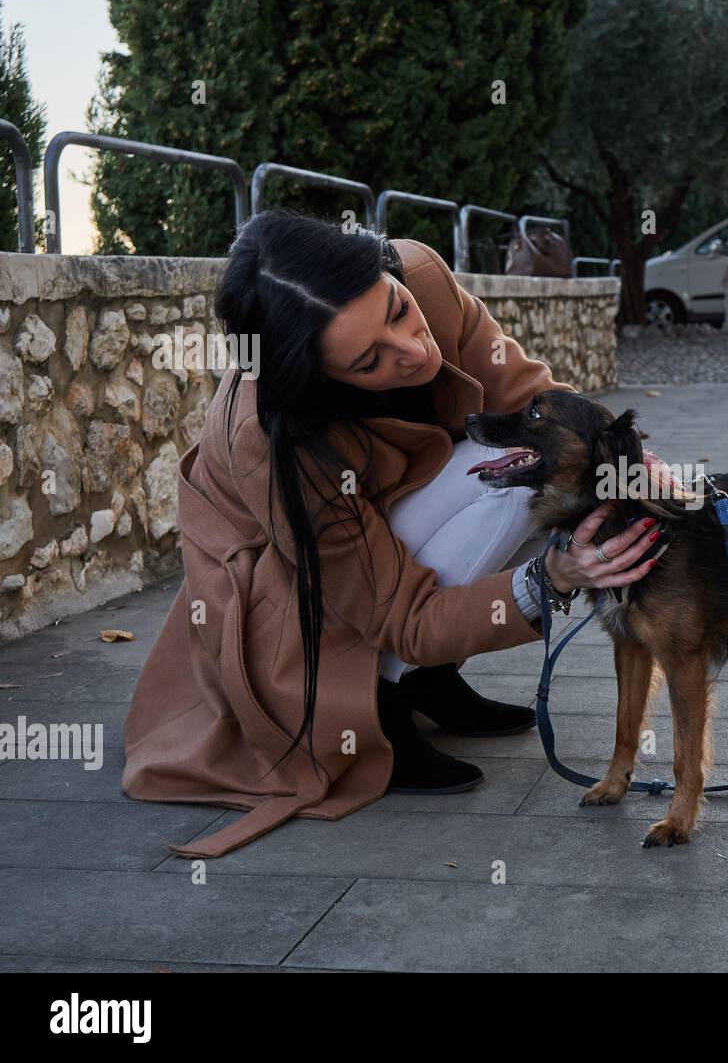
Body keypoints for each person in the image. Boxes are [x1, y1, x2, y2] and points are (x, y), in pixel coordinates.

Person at [121, 208, 665, 859]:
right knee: (506, 487)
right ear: (319, 378)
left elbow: (530, 396)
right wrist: (550, 579)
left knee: (540, 463)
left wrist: (625, 467)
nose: (414, 350)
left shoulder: (423, 275)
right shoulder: (270, 434)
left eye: (399, 311)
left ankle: (427, 679)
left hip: (383, 517)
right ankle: (372, 702)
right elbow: (393, 609)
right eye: (369, 359)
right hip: (291, 593)